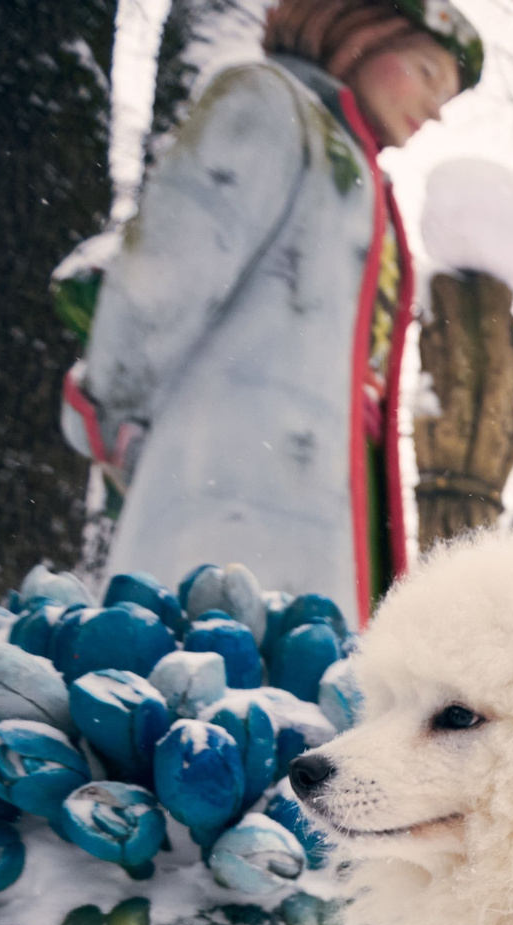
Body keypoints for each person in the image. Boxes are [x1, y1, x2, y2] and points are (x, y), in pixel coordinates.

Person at [61, 0, 485, 624]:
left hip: (343, 508)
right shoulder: (267, 103)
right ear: (358, 35)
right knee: (209, 659)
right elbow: (160, 281)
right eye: (425, 73)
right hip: (230, 488)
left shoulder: (368, 180)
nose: (435, 109)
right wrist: (108, 410)